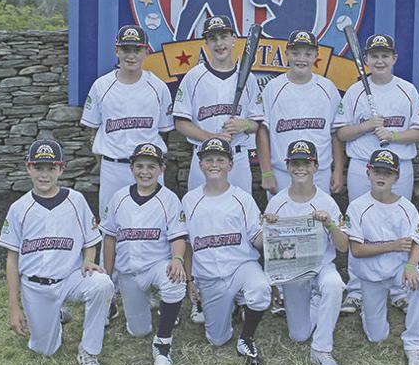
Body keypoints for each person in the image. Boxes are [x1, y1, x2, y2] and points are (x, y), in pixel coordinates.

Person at [0, 139, 115, 365]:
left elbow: (90, 239)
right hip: (36, 286)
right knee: (45, 350)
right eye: (38, 168)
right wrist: (14, 307)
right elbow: (11, 259)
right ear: (28, 168)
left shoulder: (76, 200)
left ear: (61, 169)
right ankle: (55, 315)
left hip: (71, 277)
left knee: (102, 284)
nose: (44, 174)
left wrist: (89, 259)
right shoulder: (19, 208)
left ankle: (89, 351)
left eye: (51, 168)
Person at [335, 33, 419, 315]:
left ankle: (399, 287)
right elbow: (341, 132)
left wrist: (393, 135)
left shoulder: (407, 91)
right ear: (366, 60)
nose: (380, 60)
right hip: (363, 166)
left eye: (385, 55)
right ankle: (356, 290)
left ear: (394, 59)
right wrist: (365, 126)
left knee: (400, 225)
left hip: (399, 167)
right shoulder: (355, 92)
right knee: (358, 228)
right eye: (374, 56)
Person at [182, 138, 271, 365]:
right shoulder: (189, 200)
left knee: (260, 290)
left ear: (230, 165)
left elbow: (257, 240)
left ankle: (246, 337)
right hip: (209, 275)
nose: (215, 165)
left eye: (221, 160)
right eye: (209, 160)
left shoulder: (242, 198)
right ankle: (232, 305)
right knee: (217, 340)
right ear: (200, 164)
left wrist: (272, 231)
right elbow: (188, 244)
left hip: (241, 267)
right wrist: (190, 280)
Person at [264, 140, 348, 365]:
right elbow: (269, 250)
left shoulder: (326, 201)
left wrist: (330, 224)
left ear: (316, 166)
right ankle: (317, 303)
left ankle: (321, 349)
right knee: (298, 335)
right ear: (288, 166)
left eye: (307, 163)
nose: (301, 168)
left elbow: (343, 247)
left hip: (321, 265)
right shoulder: (278, 202)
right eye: (296, 163)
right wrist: (268, 228)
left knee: (333, 284)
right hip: (293, 272)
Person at [100, 143, 186, 365]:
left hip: (156, 266)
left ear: (161, 169)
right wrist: (108, 277)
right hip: (128, 272)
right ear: (131, 168)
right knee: (139, 331)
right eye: (139, 166)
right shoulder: (118, 198)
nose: (145, 172)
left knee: (174, 282)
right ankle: (149, 302)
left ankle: (163, 343)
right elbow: (109, 238)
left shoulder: (169, 199)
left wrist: (177, 259)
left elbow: (178, 237)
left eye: (151, 166)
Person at [342, 149, 419, 365]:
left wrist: (411, 266)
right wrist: (392, 245)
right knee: (376, 337)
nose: (382, 177)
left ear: (396, 177)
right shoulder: (357, 207)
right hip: (371, 274)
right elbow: (357, 250)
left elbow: (417, 242)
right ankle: (369, 311)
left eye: (388, 173)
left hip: (399, 269)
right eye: (377, 171)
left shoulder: (407, 207)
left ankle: (414, 344)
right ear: (368, 173)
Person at [80, 24, 174, 220]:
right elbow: (94, 131)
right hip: (114, 167)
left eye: (137, 49)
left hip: (149, 167)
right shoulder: (101, 86)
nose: (131, 56)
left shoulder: (158, 87)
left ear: (146, 51)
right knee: (110, 225)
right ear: (116, 50)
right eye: (126, 49)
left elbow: (164, 132)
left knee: (154, 224)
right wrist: (104, 162)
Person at [173, 14, 263, 193]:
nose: (219, 43)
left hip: (237, 158)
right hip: (204, 157)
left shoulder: (248, 79)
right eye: (212, 38)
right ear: (206, 42)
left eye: (223, 37)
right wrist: (211, 138)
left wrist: (244, 124)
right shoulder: (194, 77)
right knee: (198, 214)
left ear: (233, 39)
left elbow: (256, 124)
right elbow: (180, 123)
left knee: (241, 214)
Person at [257, 29, 344, 195]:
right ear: (287, 54)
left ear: (316, 55)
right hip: (282, 172)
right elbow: (263, 132)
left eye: (308, 54)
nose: (301, 59)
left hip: (320, 172)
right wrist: (266, 172)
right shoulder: (273, 88)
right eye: (296, 53)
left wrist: (338, 170)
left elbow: (336, 133)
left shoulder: (327, 88)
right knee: (281, 220)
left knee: (320, 219)